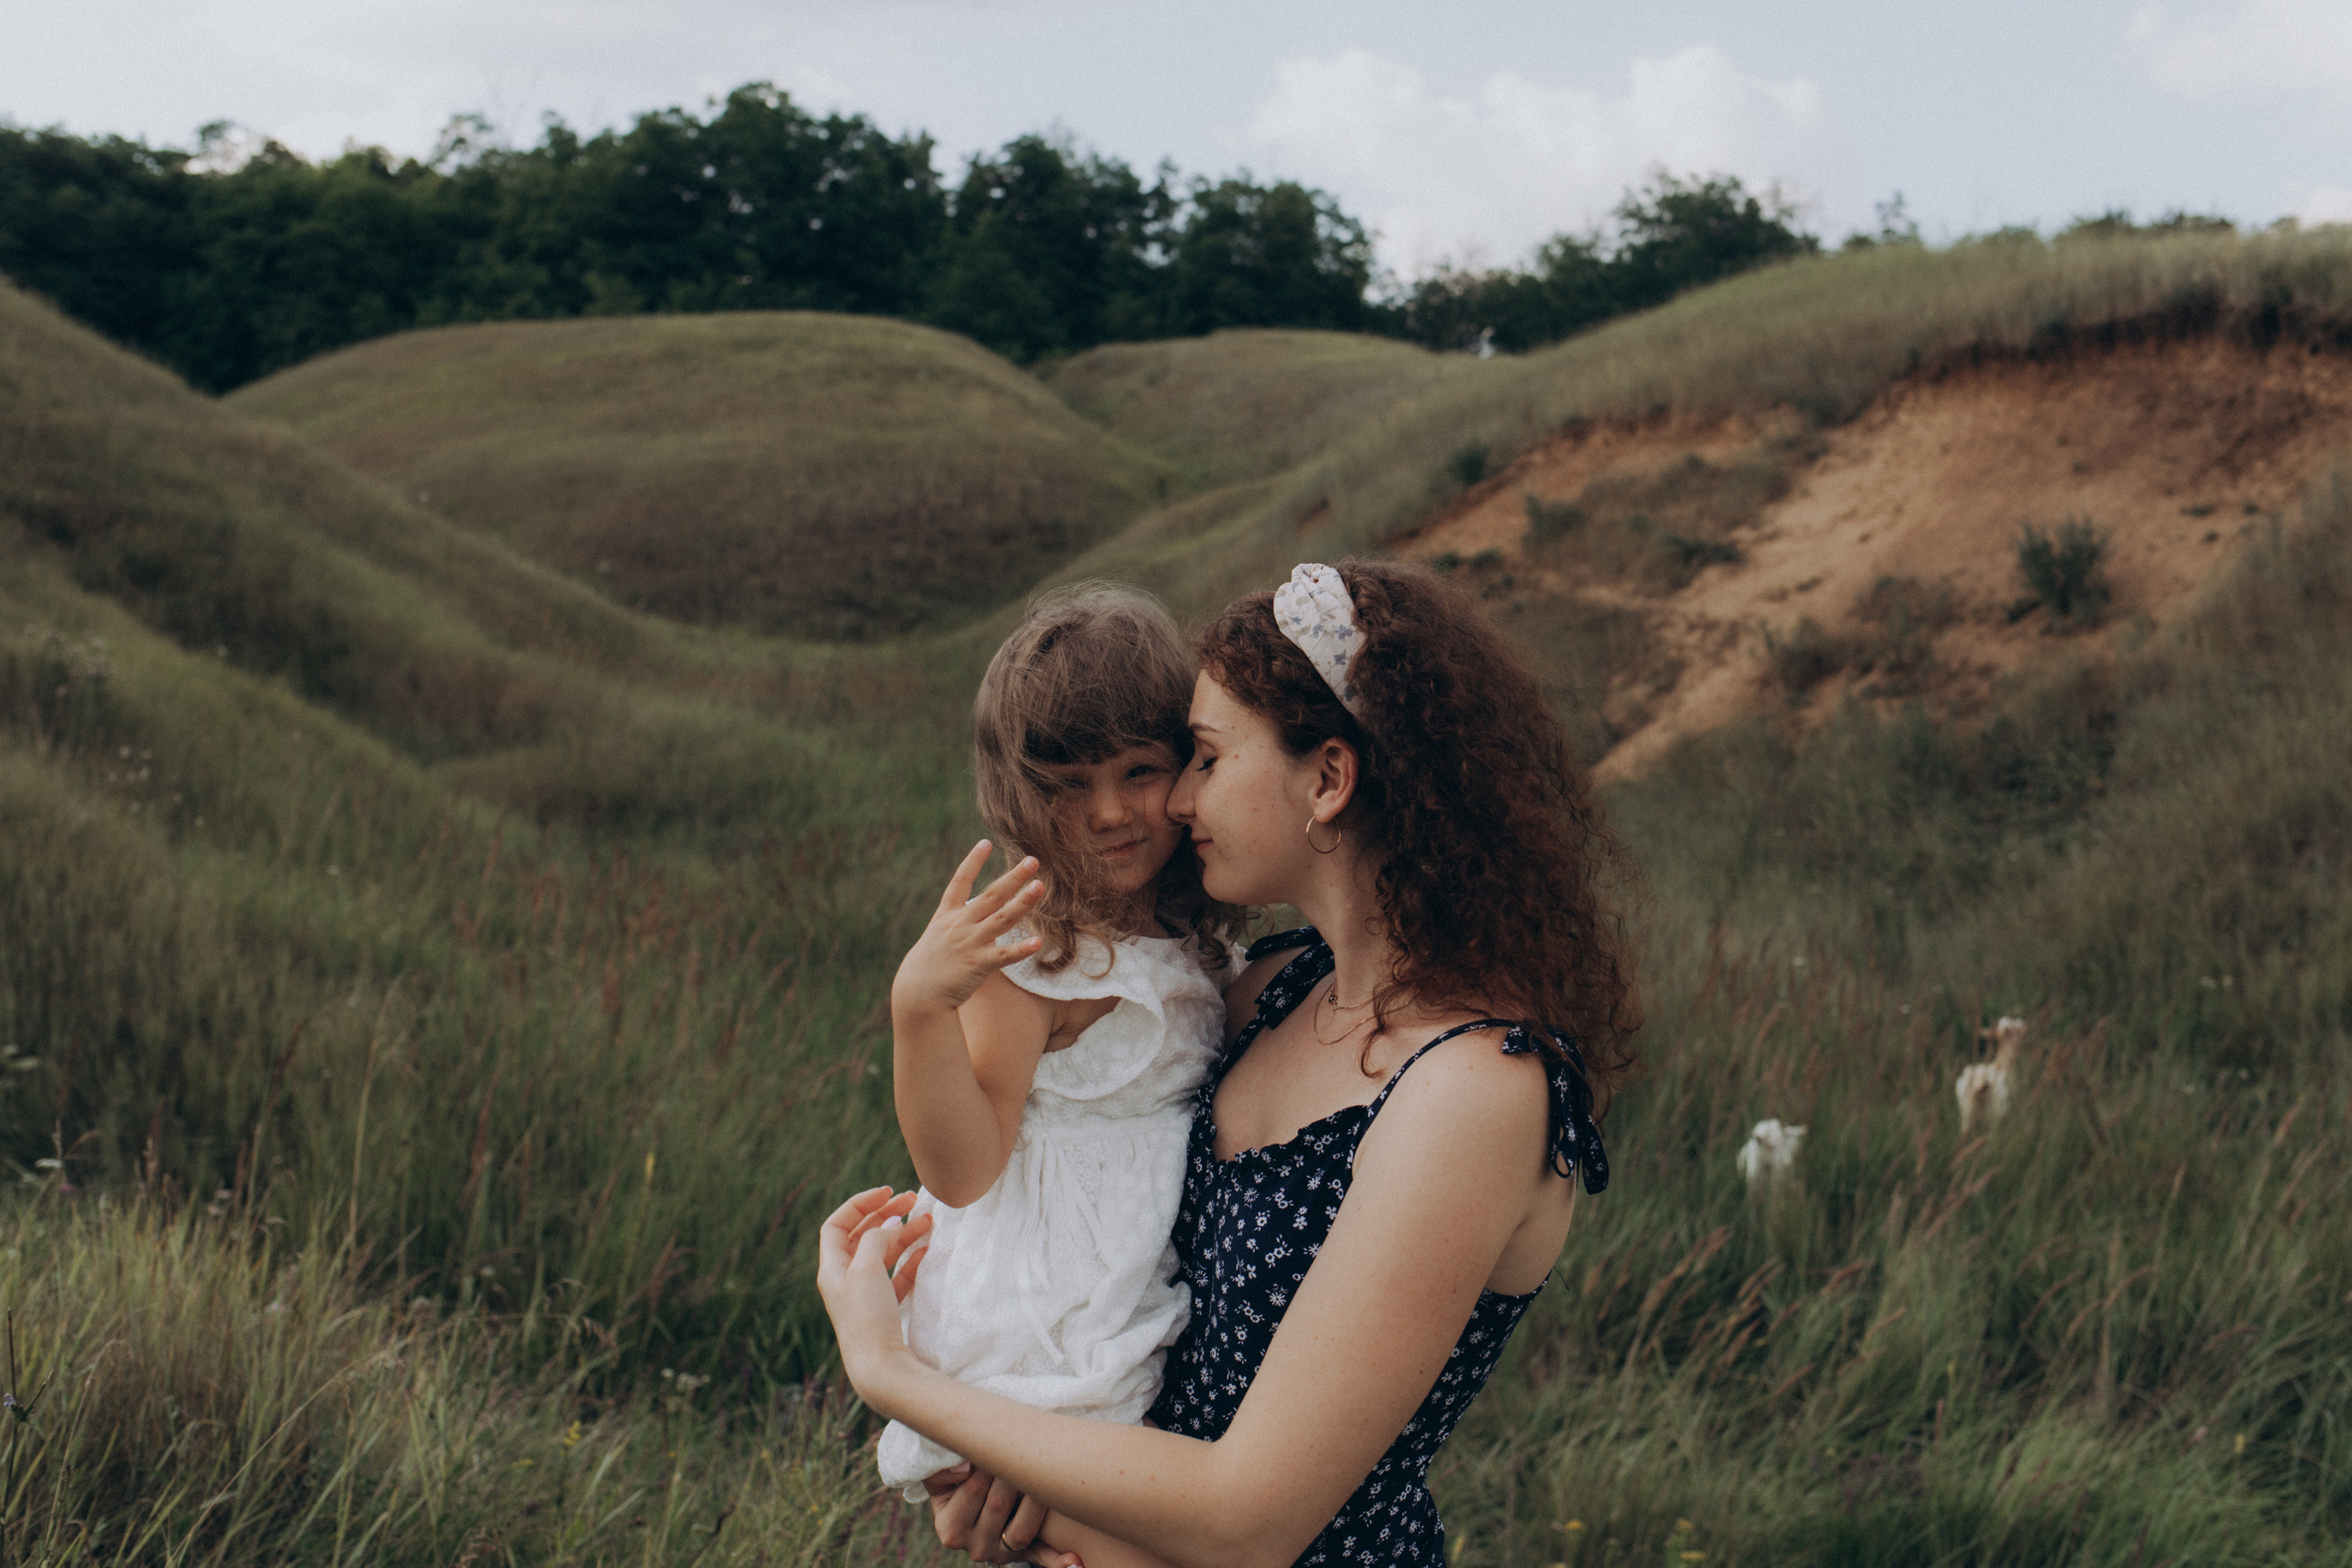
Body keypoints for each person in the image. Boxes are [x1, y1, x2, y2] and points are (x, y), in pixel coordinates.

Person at [823, 560, 1640, 1568]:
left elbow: (1247, 1520)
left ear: (1328, 780)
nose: (1175, 800)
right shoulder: (1262, 991)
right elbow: (1064, 1184)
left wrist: (894, 1376)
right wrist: (997, 1489)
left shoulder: (1474, 1091)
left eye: (1203, 758)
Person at [871, 585, 1244, 1559]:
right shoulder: (1036, 957)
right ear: (1020, 796)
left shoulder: (1186, 926)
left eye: (1139, 770)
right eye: (1069, 785)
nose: (1111, 811)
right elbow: (964, 1169)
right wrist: (921, 1010)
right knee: (1080, 1524)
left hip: (1132, 1276)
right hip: (1044, 1306)